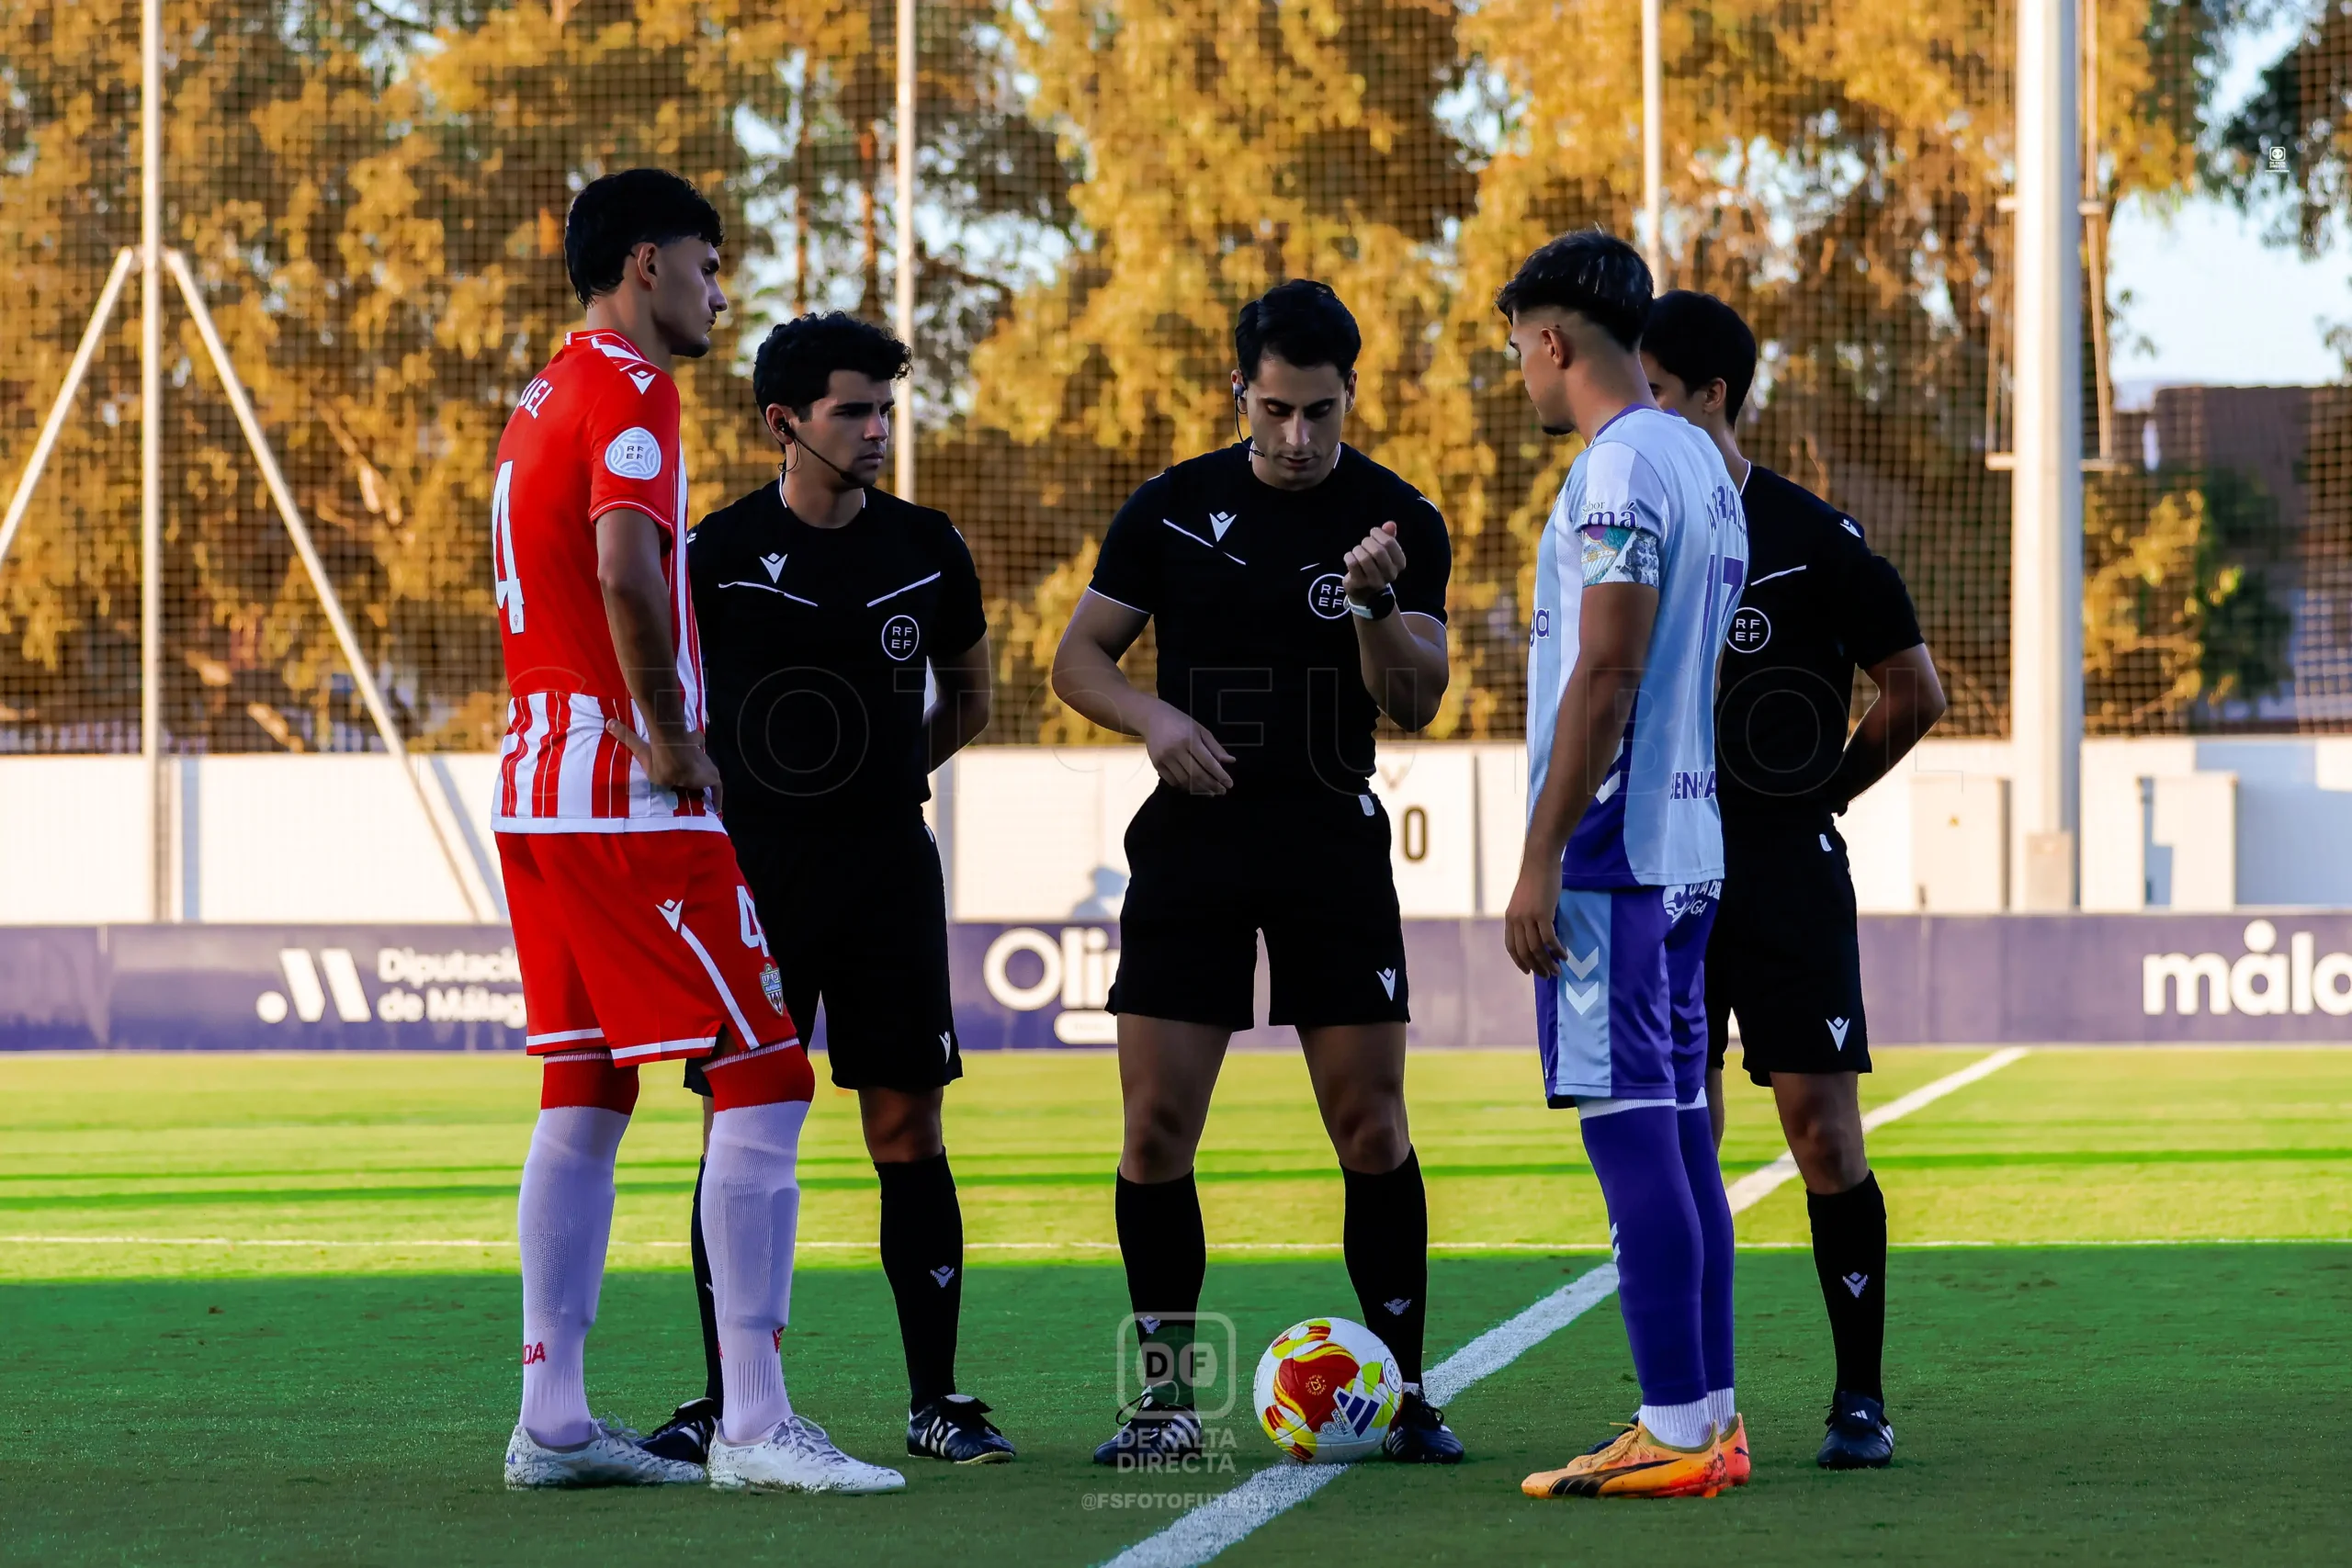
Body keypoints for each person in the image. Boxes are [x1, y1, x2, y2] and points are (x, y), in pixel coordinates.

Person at [492, 169, 900, 1495]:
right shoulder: (628, 386)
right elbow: (621, 564)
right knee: (769, 1075)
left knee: (586, 1089)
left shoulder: (541, 395)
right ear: (649, 262)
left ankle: (551, 1416)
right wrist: (672, 735)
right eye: (711, 267)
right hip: (625, 789)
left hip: (534, 783)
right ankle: (755, 1419)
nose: (720, 293)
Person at [1050, 279, 1464, 1465]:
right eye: (1276, 409)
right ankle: (1168, 1402)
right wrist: (1151, 717)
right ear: (1240, 391)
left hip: (1332, 843)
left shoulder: (1397, 519)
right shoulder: (1172, 506)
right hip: (1194, 846)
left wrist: (1377, 600)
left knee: (1371, 1125)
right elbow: (1077, 656)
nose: (1296, 439)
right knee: (1155, 1131)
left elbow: (1418, 697)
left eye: (1320, 413)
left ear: (1350, 397)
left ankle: (1405, 1390)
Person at [636, 311, 1009, 1468]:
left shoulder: (928, 544)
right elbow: (665, 690)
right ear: (781, 424)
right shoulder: (714, 552)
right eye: (853, 410)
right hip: (755, 874)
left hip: (888, 865)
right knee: (742, 1126)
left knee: (905, 1125)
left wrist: (887, 773)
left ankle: (937, 1401)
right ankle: (724, 1400)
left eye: (885, 408)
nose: (877, 429)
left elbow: (973, 698)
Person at [1640, 288, 1947, 1469]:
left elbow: (1914, 690)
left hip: (1780, 876)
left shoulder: (1818, 539)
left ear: (1711, 396)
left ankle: (1857, 1401)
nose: (1640, 419)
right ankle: (1695, 1405)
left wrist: (1821, 789)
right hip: (1663, 872)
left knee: (1821, 1135)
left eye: (1657, 393)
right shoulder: (1626, 531)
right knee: (1683, 1139)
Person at [1498, 232, 1748, 1501]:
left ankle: (1672, 1425)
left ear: (1554, 341)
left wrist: (1540, 857)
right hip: (1688, 842)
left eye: (1516, 353)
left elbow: (1607, 665)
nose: (1520, 378)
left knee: (1632, 1131)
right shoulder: (1702, 457)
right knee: (1687, 1129)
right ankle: (1710, 1409)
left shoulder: (1616, 469)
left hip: (1614, 850)